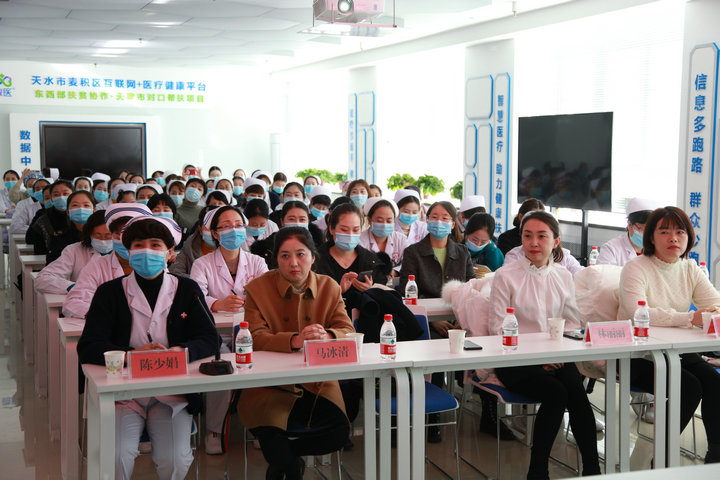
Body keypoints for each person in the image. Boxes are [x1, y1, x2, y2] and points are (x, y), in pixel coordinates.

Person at [77, 215, 217, 480]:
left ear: (170, 253)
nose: (146, 251)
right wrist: (129, 356)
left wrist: (180, 351)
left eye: (155, 245)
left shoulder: (187, 289)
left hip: (172, 390)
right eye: (138, 245)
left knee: (175, 461)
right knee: (116, 457)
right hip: (123, 393)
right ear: (128, 253)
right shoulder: (109, 292)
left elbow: (209, 338)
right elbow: (88, 346)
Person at [489, 210, 601, 479]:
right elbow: (498, 328)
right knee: (556, 393)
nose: (534, 243)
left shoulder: (563, 275)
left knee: (576, 391)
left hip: (557, 355)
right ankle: (537, 471)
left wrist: (558, 352)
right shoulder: (505, 275)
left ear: (556, 241)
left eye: (542, 236)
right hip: (514, 359)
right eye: (527, 236)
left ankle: (593, 469)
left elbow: (571, 323)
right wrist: (538, 356)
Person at [237, 227, 353, 479]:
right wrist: (294, 340)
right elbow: (253, 336)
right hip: (269, 384)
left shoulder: (329, 287)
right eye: (285, 256)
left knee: (339, 433)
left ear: (313, 256)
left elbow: (347, 329)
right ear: (275, 259)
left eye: (300, 254)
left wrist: (328, 335)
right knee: (270, 433)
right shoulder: (257, 289)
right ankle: (289, 466)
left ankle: (287, 459)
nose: (293, 263)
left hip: (317, 382)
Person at [617, 206, 720, 464]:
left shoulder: (690, 268)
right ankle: (662, 458)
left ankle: (716, 455)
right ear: (651, 237)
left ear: (688, 237)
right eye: (664, 232)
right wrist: (690, 318)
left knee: (715, 382)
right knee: (689, 386)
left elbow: (716, 303)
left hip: (675, 351)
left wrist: (710, 312)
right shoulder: (635, 267)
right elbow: (638, 312)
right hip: (636, 354)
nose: (673, 238)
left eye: (680, 232)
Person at [62, 204, 152, 318]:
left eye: (130, 235)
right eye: (118, 235)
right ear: (112, 236)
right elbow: (72, 304)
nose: (124, 240)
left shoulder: (155, 265)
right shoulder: (97, 266)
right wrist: (107, 315)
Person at [190, 205, 268, 313]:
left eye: (239, 225)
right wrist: (217, 304)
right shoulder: (201, 265)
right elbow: (195, 298)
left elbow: (268, 294)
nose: (234, 230)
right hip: (215, 322)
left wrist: (254, 300)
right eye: (226, 226)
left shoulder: (257, 262)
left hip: (251, 320)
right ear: (215, 233)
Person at [399, 201, 474, 299]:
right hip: (424, 306)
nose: (439, 222)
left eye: (445, 218)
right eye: (434, 217)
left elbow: (471, 284)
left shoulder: (462, 252)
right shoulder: (412, 252)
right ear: (427, 221)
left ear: (452, 224)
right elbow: (406, 288)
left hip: (456, 305)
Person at [35, 210, 111, 294]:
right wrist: (75, 287)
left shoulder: (121, 253)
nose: (103, 241)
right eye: (97, 236)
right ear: (89, 234)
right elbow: (42, 279)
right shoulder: (74, 250)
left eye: (108, 236)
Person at [252, 200, 324, 269]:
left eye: (302, 219)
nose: (297, 223)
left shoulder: (320, 247)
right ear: (282, 222)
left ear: (308, 221)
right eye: (291, 219)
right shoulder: (266, 249)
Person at [598, 197, 661, 266]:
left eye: (651, 230)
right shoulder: (611, 249)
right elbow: (605, 272)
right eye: (643, 229)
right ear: (629, 225)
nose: (648, 235)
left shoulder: (658, 248)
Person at [359, 197, 407, 273]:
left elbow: (409, 263)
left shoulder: (401, 239)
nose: (384, 224)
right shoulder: (360, 240)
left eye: (389, 221)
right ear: (369, 220)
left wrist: (393, 272)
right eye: (379, 220)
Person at [170, 207, 216, 277]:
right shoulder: (189, 246)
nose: (213, 230)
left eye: (217, 225)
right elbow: (175, 273)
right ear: (200, 229)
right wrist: (201, 280)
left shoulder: (230, 249)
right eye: (208, 225)